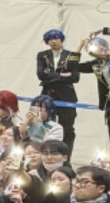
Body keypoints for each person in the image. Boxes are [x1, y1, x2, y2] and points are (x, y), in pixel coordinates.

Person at [35, 28, 81, 157]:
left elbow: (75, 77)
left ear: (61, 39)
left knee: (67, 129)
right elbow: (40, 75)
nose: (53, 41)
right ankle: (46, 155)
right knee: (45, 126)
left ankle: (66, 158)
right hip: (48, 95)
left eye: (56, 38)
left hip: (67, 97)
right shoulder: (42, 55)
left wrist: (50, 76)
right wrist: (61, 75)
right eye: (50, 39)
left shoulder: (71, 55)